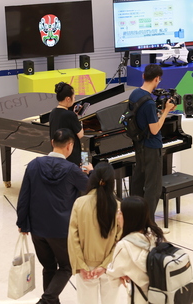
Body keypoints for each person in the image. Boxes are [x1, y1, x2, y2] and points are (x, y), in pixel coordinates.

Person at [16, 128, 92, 304]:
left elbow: (24, 196)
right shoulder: (72, 170)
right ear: (70, 146)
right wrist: (91, 172)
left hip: (37, 227)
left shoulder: (34, 165)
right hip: (61, 229)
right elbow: (91, 188)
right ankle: (46, 300)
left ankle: (50, 301)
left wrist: (22, 223)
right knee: (67, 266)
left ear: (52, 143)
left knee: (48, 267)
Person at [68, 162, 123, 303]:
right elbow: (120, 241)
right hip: (110, 266)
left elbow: (73, 238)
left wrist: (80, 265)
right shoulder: (118, 206)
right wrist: (104, 265)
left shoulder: (80, 203)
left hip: (86, 266)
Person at [129, 64, 176, 221]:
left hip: (139, 144)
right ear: (157, 79)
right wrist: (166, 111)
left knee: (138, 181)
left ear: (143, 76)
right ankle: (148, 222)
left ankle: (135, 217)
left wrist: (160, 113)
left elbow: (143, 119)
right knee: (153, 187)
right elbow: (155, 129)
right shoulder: (149, 103)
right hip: (151, 146)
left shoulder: (135, 94)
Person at [106, 196, 165, 304]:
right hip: (161, 296)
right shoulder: (155, 234)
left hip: (141, 298)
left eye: (120, 213)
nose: (117, 216)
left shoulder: (124, 245)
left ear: (129, 218)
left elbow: (112, 276)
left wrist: (122, 274)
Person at [49, 81, 84, 167]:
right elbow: (81, 135)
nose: (74, 100)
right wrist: (78, 120)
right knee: (85, 160)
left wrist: (74, 115)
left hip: (58, 154)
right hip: (71, 157)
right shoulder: (70, 115)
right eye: (74, 97)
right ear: (68, 99)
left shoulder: (53, 112)